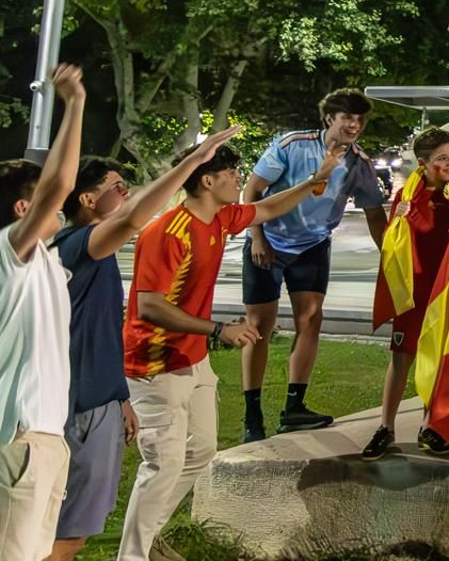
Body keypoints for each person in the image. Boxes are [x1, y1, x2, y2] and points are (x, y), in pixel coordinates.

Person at [121, 139, 345, 561]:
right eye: (232, 174)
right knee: (163, 465)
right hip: (154, 364)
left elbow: (268, 208)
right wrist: (218, 329)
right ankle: (133, 554)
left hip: (194, 360)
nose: (240, 180)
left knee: (202, 450)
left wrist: (314, 181)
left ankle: (146, 538)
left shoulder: (221, 217)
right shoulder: (166, 231)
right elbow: (149, 305)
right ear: (208, 180)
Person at [49, 126, 243, 559]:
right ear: (85, 199)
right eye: (118, 187)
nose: (127, 192)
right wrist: (193, 161)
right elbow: (134, 218)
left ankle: (144, 541)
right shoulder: (77, 244)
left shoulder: (90, 248)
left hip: (100, 395)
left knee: (75, 528)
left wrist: (120, 397)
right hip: (75, 402)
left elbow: (98, 330)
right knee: (61, 528)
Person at [239, 90, 386, 442]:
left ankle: (294, 408)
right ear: (329, 119)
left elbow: (375, 213)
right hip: (269, 242)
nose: (354, 125)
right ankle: (252, 415)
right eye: (347, 117)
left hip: (313, 246)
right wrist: (257, 237)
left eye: (360, 120)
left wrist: (391, 256)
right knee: (259, 326)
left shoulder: (359, 164)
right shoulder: (293, 146)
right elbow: (252, 192)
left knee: (310, 320)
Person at [0, 65, 85, 561]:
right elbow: (58, 186)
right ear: (20, 210)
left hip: (47, 439)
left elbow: (132, 211)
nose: (61, 204)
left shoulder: (45, 261)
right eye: (43, 202)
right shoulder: (10, 254)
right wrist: (73, 105)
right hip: (22, 438)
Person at [361, 127, 449, 461]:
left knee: (435, 360)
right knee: (401, 358)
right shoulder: (408, 196)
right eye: (441, 159)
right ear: (422, 164)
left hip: (444, 291)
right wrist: (400, 219)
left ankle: (429, 426)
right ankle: (386, 427)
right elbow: (394, 243)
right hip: (413, 290)